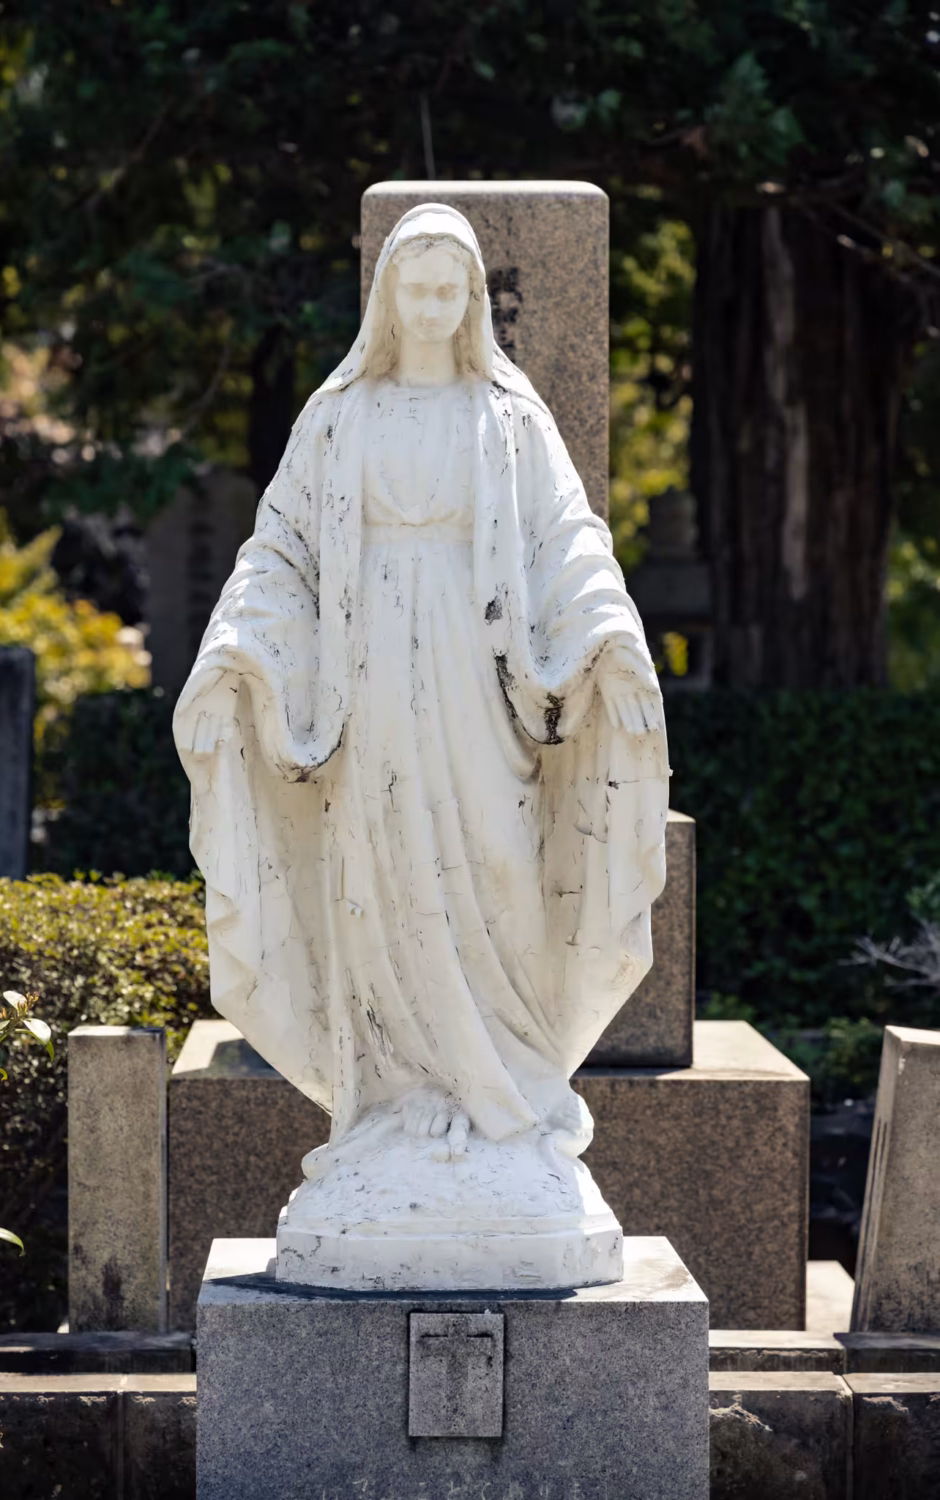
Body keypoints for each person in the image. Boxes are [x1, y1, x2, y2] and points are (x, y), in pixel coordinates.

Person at [174, 203, 669, 1180]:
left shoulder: (509, 417)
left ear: (472, 299)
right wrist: (242, 640)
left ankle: (503, 1091)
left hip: (478, 682)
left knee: (492, 864)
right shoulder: (338, 416)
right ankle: (396, 1100)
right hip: (370, 685)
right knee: (380, 870)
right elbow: (284, 549)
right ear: (388, 298)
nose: (435, 307)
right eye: (417, 289)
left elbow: (564, 539)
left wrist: (607, 632)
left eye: (451, 290)